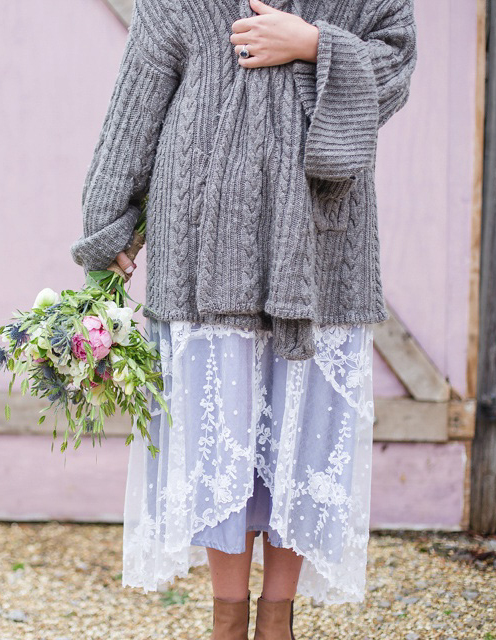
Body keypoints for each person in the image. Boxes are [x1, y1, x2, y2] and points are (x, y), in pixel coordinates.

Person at [71, 0, 417, 638]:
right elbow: (137, 102)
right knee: (218, 435)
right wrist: (109, 218)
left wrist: (316, 43)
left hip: (318, 239)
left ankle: (277, 620)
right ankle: (227, 617)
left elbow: (395, 64)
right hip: (203, 242)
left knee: (302, 437)